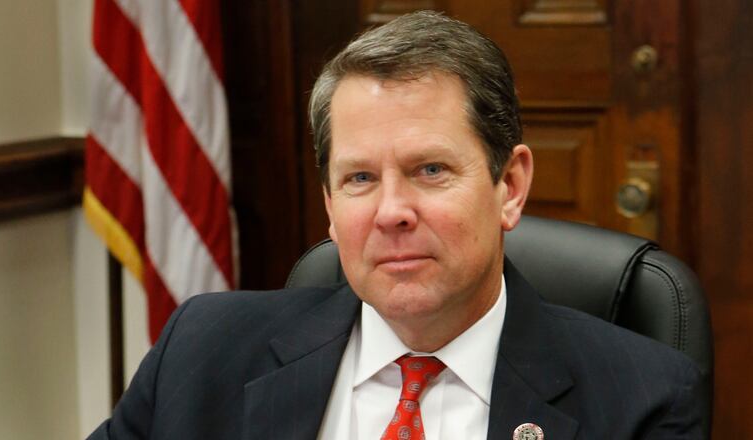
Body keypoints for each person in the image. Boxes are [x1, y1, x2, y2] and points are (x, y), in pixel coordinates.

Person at [89, 11, 703, 439]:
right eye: (359, 178)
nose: (391, 212)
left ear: (510, 186)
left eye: (430, 170)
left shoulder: (642, 399)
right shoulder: (202, 351)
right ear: (330, 207)